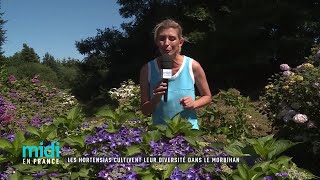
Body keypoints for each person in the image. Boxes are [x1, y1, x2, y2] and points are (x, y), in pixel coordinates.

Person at [139, 19, 212, 129]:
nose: (166, 43)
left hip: (188, 134)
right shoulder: (147, 70)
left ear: (180, 42)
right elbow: (145, 111)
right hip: (160, 138)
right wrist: (155, 99)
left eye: (172, 39)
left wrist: (194, 104)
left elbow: (207, 96)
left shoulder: (192, 66)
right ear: (157, 42)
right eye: (162, 39)